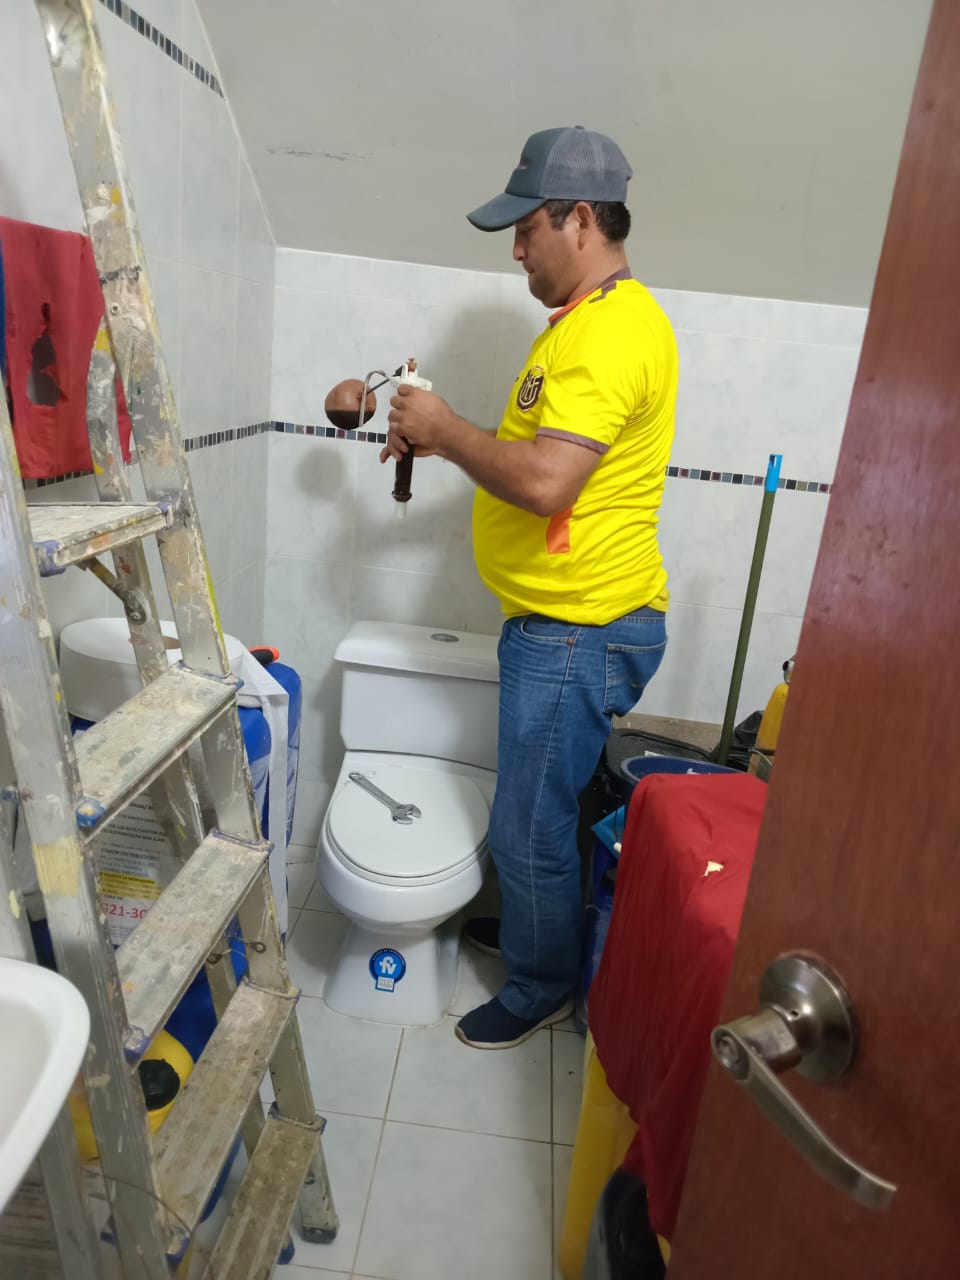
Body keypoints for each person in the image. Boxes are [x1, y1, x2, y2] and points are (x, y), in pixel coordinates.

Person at [380, 125, 678, 1049]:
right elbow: (536, 462)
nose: (515, 250)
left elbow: (548, 484)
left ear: (579, 219)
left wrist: (445, 427)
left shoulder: (609, 334)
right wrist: (441, 438)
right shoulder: (585, 324)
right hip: (564, 620)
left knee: (528, 826)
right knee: (546, 812)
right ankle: (534, 933)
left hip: (579, 626)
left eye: (526, 229)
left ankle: (540, 982)